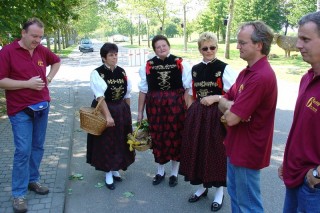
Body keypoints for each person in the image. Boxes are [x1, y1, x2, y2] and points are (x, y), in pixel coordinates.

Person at [0, 18, 61, 213]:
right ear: (23, 32)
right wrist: (27, 83)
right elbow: (1, 81)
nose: (37, 40)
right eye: (34, 36)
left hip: (42, 107)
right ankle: (18, 194)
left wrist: (49, 77)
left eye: (40, 37)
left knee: (37, 147)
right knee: (23, 151)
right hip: (20, 110)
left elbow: (57, 61)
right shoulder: (7, 52)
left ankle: (32, 180)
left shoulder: (42, 50)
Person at [218, 21, 277, 212]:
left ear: (259, 45)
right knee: (236, 199)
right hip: (236, 146)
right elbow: (224, 101)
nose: (237, 47)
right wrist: (230, 105)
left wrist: (230, 110)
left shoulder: (260, 76)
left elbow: (231, 118)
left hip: (247, 150)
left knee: (249, 205)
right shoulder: (246, 73)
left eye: (242, 43)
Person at [179, 32, 237, 212]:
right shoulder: (194, 69)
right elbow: (189, 92)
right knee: (198, 149)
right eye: (205, 48)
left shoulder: (224, 68)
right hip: (198, 115)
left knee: (216, 151)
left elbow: (234, 95)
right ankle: (202, 187)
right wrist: (190, 110)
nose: (209, 51)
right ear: (200, 49)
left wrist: (215, 97)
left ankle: (219, 191)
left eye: (212, 47)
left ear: (217, 47)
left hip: (217, 115)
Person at [278, 11, 320, 213]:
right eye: (298, 38)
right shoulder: (307, 78)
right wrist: (287, 162)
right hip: (295, 177)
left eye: (305, 39)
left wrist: (318, 173)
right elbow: (302, 129)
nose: (298, 45)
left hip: (313, 185)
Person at [137, 35, 191, 187]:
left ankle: (174, 173)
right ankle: (160, 171)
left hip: (176, 108)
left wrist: (185, 106)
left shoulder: (180, 63)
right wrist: (140, 112)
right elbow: (143, 90)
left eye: (164, 45)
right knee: (158, 138)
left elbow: (188, 88)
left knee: (175, 138)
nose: (161, 49)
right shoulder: (148, 65)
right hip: (155, 108)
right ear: (154, 50)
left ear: (168, 46)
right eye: (158, 47)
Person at [86, 42, 135, 191]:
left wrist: (128, 111)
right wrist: (108, 116)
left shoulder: (122, 72)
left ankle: (115, 168)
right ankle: (108, 172)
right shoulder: (97, 73)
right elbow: (100, 97)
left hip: (121, 109)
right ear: (103, 58)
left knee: (120, 140)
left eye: (115, 54)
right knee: (106, 142)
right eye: (111, 55)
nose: (114, 58)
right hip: (104, 109)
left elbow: (127, 93)